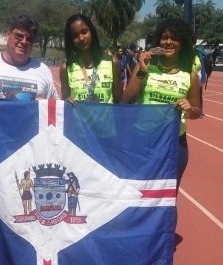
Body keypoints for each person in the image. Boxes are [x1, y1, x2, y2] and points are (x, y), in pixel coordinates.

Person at [121, 18, 201, 189]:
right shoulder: (146, 67)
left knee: (168, 198)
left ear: (182, 43)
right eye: (165, 37)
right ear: (158, 40)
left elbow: (196, 112)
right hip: (144, 140)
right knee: (138, 192)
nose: (168, 42)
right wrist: (142, 71)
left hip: (175, 143)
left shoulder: (190, 75)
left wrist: (190, 108)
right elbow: (126, 100)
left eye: (174, 38)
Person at [59, 13, 122, 103]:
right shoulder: (66, 69)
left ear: (92, 32)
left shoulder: (112, 63)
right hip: (79, 117)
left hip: (106, 117)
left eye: (84, 32)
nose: (81, 38)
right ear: (71, 40)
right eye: (75, 35)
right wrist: (68, 102)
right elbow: (65, 104)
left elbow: (119, 102)